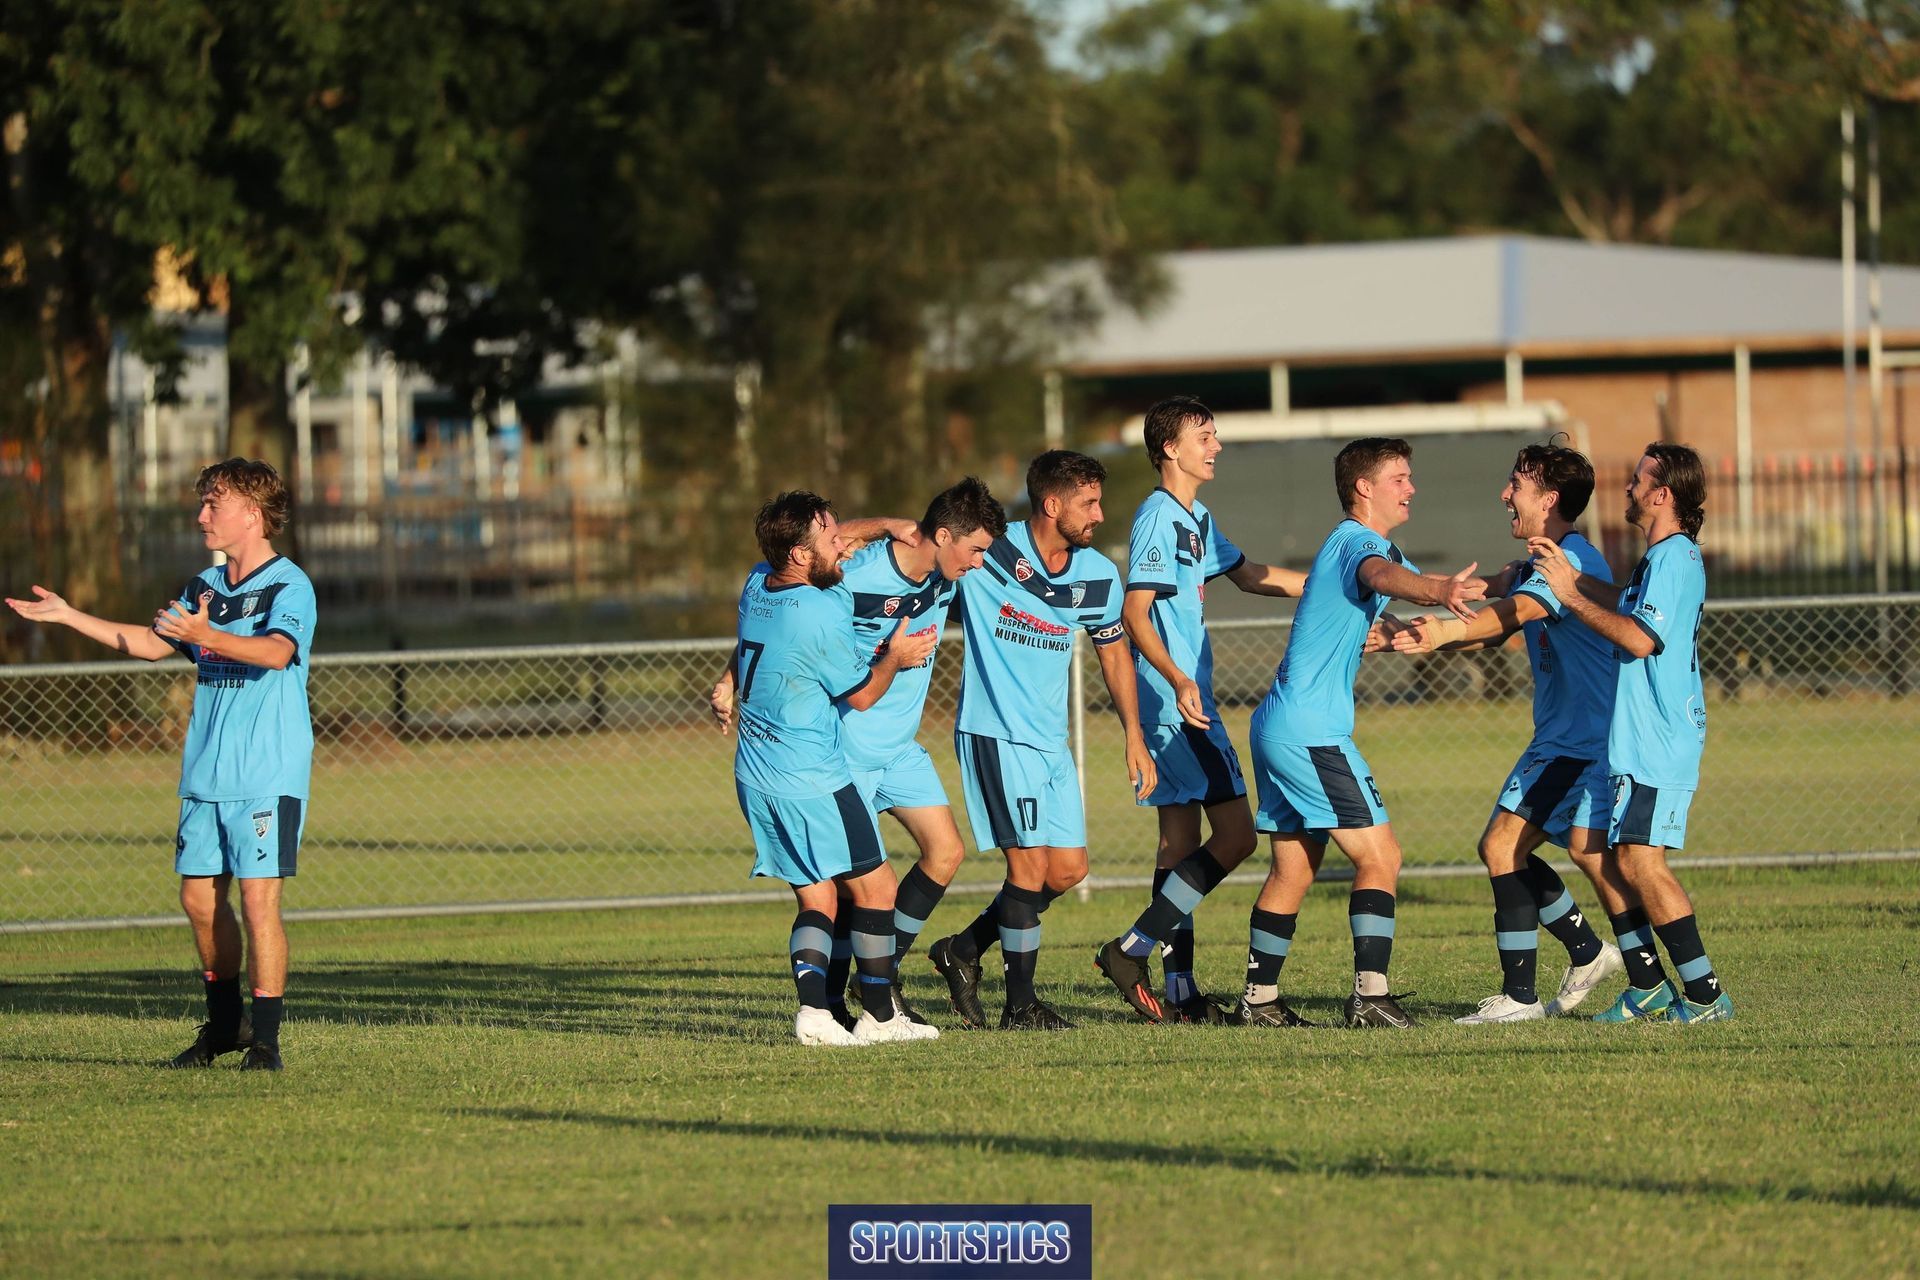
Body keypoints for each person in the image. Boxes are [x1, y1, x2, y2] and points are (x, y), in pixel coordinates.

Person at [7, 459, 316, 1071]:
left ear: (250, 513)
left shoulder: (290, 585)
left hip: (267, 771)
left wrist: (210, 636)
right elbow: (152, 643)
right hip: (205, 773)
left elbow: (277, 653)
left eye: (213, 504)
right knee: (199, 900)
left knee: (259, 902)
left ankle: (267, 1043)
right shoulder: (203, 585)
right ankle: (225, 1025)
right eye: (202, 504)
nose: (202, 515)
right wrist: (70, 616)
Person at [712, 478, 1005, 1029]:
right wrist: (892, 655)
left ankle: (871, 989)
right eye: (975, 552)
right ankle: (858, 1005)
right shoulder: (843, 583)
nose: (979, 564)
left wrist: (891, 523)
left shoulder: (939, 572)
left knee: (942, 853)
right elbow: (850, 675)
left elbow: (780, 595)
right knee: (857, 890)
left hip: (897, 747)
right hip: (841, 748)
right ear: (943, 537)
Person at [1237, 438, 1484, 1029]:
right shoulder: (1359, 543)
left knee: (1293, 869)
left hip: (1278, 724)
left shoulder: (1350, 546)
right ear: (1364, 488)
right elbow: (1379, 573)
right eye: (1399, 477)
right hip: (1311, 733)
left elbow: (1364, 602)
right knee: (1382, 855)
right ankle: (1371, 995)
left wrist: (1389, 628)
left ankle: (1258, 1001)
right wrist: (1438, 590)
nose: (1411, 487)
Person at [1387, 442, 1627, 1023]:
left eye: (1515, 484)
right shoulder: (1542, 559)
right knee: (1525, 851)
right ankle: (1593, 955)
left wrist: (1442, 633)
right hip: (1564, 739)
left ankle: (1524, 997)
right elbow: (1501, 594)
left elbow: (1518, 612)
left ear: (1549, 499)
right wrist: (1437, 598)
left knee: (1505, 847)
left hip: (1581, 743)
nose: (1504, 494)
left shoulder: (1572, 561)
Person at [1088, 396, 1306, 1024]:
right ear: (1170, 450)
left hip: (1180, 700)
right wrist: (1181, 679)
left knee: (1178, 844)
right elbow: (1134, 613)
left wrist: (1337, 578)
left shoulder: (1196, 517)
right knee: (1237, 836)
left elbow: (1250, 574)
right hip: (1178, 705)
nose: (1215, 445)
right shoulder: (1159, 516)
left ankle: (1177, 987)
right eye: (1204, 436)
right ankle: (1130, 949)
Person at [926, 450, 1154, 1031]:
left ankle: (964, 950)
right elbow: (924, 560)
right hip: (995, 733)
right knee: (1027, 868)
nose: (1100, 514)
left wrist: (1134, 734)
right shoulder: (989, 555)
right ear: (1052, 505)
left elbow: (1113, 653)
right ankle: (1020, 1005)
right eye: (1089, 503)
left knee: (1068, 872)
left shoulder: (1098, 575)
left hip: (1052, 745)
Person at [1527, 442, 1731, 1024]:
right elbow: (1630, 605)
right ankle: (1649, 988)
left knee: (1643, 862)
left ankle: (1706, 995)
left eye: (1640, 480)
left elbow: (1640, 637)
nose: (1629, 488)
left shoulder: (1674, 558)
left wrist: (1567, 595)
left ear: (1663, 494)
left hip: (1659, 741)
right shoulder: (1659, 559)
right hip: (1635, 741)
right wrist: (1577, 582)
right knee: (1591, 846)